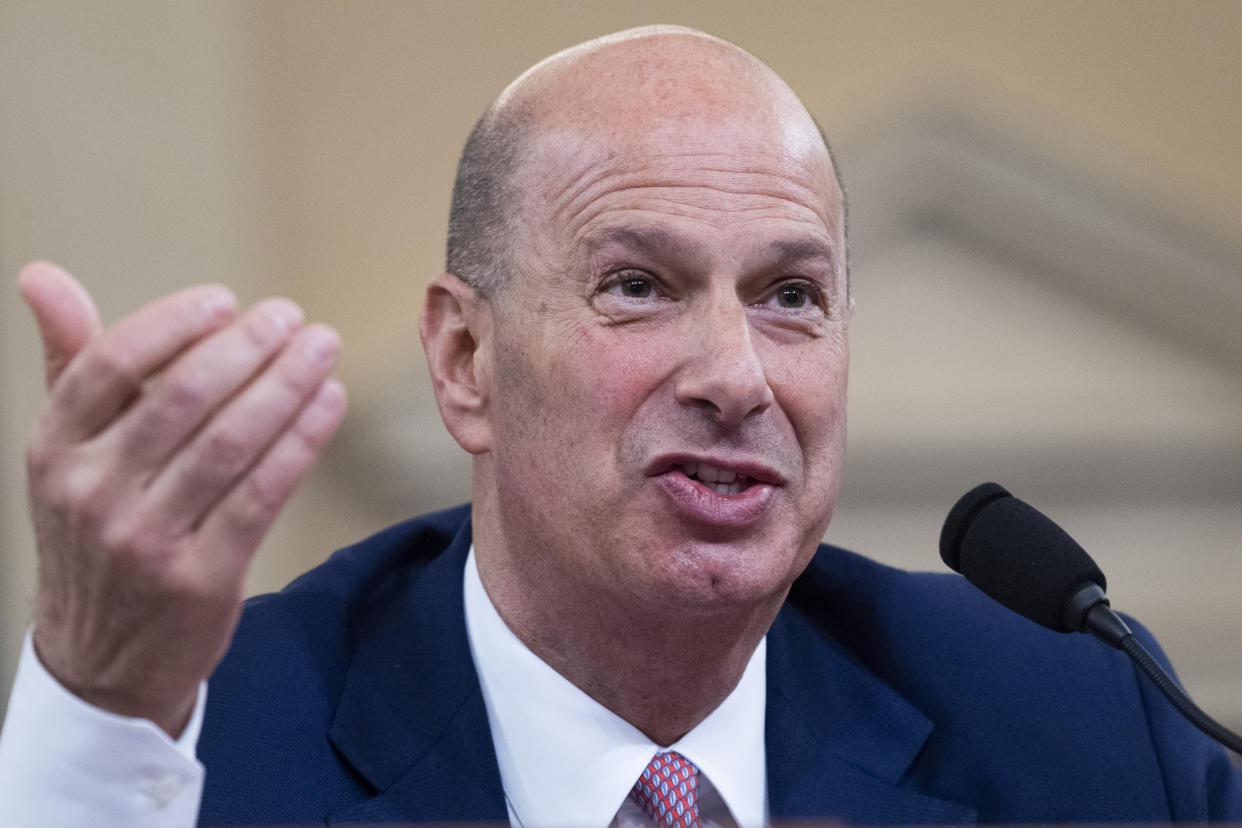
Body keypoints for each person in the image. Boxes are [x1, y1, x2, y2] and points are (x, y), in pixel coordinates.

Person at [1, 24, 1239, 827]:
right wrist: (101, 696)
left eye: (791, 296)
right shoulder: (209, 738)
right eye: (638, 285)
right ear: (466, 358)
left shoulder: (1082, 722)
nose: (735, 375)